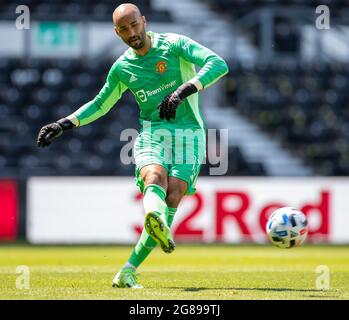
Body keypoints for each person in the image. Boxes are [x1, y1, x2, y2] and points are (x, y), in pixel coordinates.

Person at [37, 3, 229, 289]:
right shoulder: (123, 68)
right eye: (124, 29)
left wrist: (183, 89)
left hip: (190, 134)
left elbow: (218, 64)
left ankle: (128, 270)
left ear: (144, 21)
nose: (132, 32)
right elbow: (101, 104)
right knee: (154, 177)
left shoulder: (174, 44)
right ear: (117, 33)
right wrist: (65, 123)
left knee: (174, 194)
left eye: (134, 24)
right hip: (153, 133)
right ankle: (155, 215)